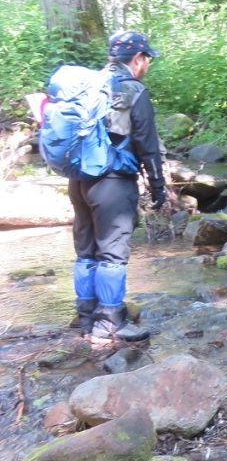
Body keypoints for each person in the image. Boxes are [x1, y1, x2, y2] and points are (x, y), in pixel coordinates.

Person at [70, 31, 166, 342]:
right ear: (138, 59)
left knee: (86, 251)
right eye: (147, 59)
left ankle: (86, 316)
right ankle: (111, 322)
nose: (147, 65)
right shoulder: (133, 90)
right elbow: (147, 145)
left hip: (79, 179)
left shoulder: (89, 84)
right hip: (113, 182)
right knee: (112, 255)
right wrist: (158, 187)